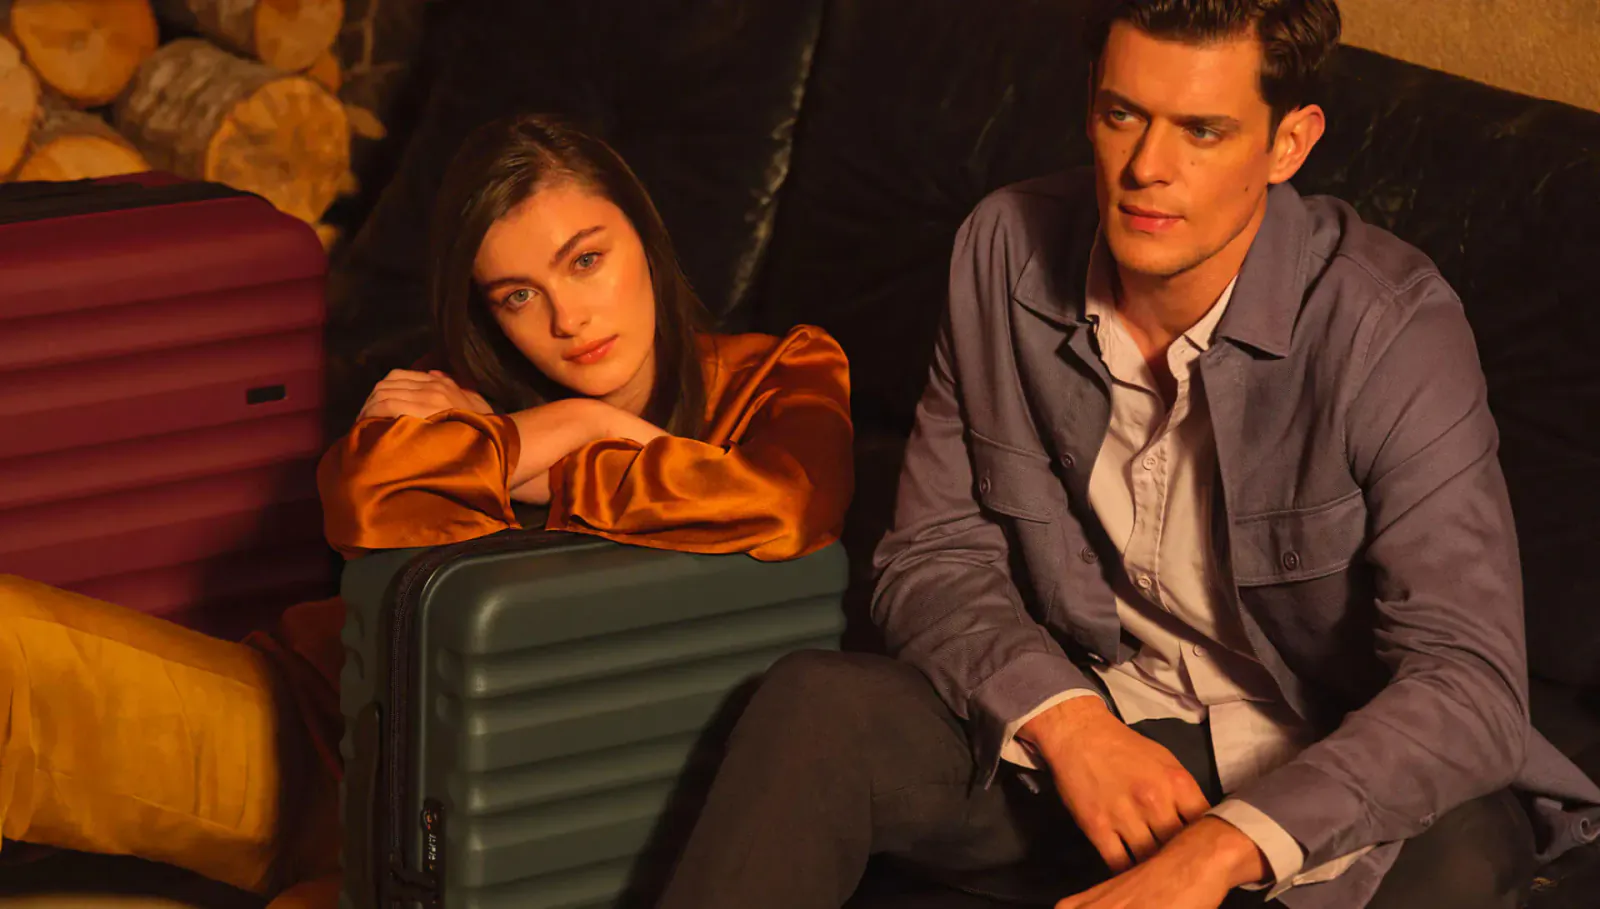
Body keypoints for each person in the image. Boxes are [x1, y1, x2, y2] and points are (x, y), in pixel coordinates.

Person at [651, 3, 1600, 909]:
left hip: (1318, 763)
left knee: (1466, 853)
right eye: (1122, 115)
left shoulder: (1390, 327)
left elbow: (1468, 681)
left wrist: (1221, 848)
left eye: (1202, 130)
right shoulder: (1003, 250)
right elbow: (933, 552)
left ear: (1289, 144)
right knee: (816, 707)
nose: (1147, 167)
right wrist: (1070, 726)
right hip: (1102, 720)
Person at [0, 113, 854, 908]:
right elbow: (366, 496)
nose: (565, 318)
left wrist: (554, 459)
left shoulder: (783, 372)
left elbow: (783, 507)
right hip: (309, 738)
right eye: (516, 294)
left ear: (644, 237)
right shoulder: (467, 389)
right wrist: (572, 419)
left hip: (484, 836)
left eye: (586, 260)